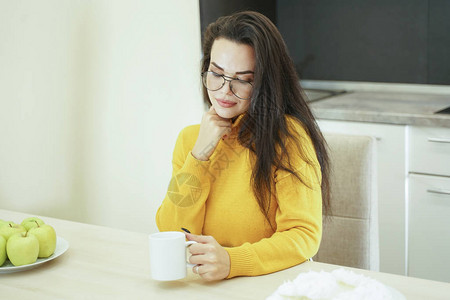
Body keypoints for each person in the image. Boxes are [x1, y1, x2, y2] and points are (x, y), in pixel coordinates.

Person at [156, 11, 330, 281]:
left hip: (265, 286)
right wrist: (199, 157)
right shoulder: (191, 140)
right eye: (216, 73)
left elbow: (304, 235)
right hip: (204, 286)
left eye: (243, 79)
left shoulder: (288, 139)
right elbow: (171, 231)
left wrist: (232, 261)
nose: (225, 91)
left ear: (264, 82)